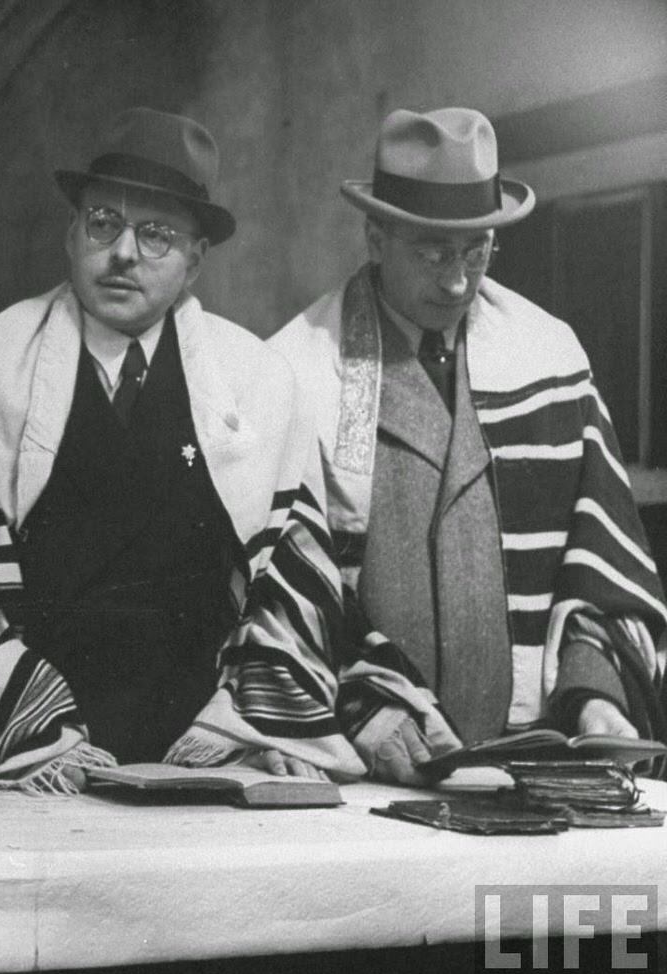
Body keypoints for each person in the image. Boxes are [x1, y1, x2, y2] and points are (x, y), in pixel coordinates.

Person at [0, 107, 364, 790]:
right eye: (104, 223)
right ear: (72, 234)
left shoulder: (260, 382)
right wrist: (37, 737)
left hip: (211, 749)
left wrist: (241, 728)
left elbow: (288, 585)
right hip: (33, 753)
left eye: (157, 235)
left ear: (195, 260)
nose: (124, 253)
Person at [272, 107, 667, 784]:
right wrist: (362, 703)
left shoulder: (548, 357)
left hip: (532, 754)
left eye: (477, 251)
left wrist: (596, 693)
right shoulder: (300, 368)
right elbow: (279, 594)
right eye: (431, 252)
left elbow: (600, 559)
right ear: (375, 237)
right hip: (371, 754)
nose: (457, 280)